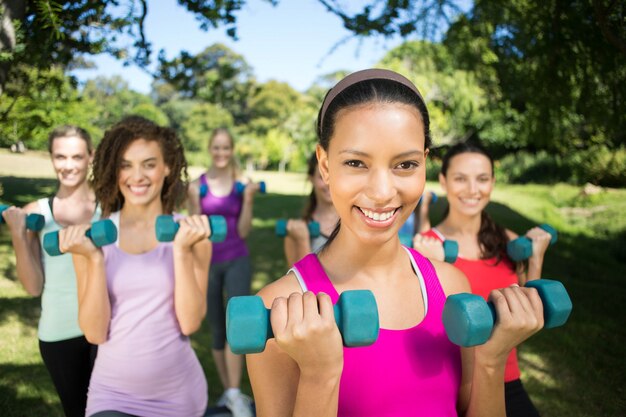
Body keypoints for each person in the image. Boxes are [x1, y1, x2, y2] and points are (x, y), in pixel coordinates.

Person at [246, 68, 545, 417]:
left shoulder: (452, 285)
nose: (382, 192)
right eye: (356, 162)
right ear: (325, 165)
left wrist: (491, 362)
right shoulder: (277, 311)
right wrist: (320, 376)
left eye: (405, 164)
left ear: (425, 163)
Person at [58, 116, 210, 417]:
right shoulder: (91, 239)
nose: (136, 176)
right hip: (112, 396)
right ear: (114, 170)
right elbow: (94, 333)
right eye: (125, 164)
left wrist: (180, 252)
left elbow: (190, 323)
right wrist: (94, 259)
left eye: (149, 164)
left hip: (178, 396)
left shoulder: (193, 236)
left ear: (167, 168)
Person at [413, 141, 553, 417]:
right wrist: (434, 268)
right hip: (450, 384)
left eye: (482, 179)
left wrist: (536, 258)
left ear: (492, 182)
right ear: (443, 181)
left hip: (505, 377)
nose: (473, 190)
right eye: (460, 179)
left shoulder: (509, 241)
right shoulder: (425, 247)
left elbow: (528, 317)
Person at [2, 125, 98, 417]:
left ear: (91, 157)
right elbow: (32, 287)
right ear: (52, 158)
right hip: (59, 333)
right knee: (77, 411)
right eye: (60, 157)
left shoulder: (110, 209)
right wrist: (19, 235)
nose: (68, 166)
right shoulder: (38, 212)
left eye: (76, 157)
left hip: (105, 329)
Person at [187, 128, 261, 417]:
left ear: (232, 150)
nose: (221, 153)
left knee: (236, 326)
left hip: (236, 259)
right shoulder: (197, 185)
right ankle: (230, 391)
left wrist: (250, 199)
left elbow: (243, 231)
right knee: (217, 327)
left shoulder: (242, 184)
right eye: (216, 148)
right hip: (206, 262)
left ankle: (234, 394)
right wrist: (194, 200)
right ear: (210, 149)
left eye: (225, 148)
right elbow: (195, 226)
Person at [282, 153, 338, 267]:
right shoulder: (294, 231)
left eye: (335, 175)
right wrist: (303, 241)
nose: (329, 183)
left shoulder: (356, 225)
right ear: (311, 178)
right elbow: (297, 282)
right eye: (322, 176)